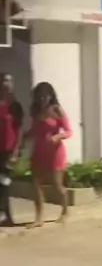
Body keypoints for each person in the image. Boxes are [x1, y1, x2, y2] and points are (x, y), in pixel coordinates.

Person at [27, 82, 71, 226]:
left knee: (57, 185)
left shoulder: (57, 110)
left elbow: (68, 131)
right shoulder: (35, 111)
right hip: (39, 152)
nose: (42, 99)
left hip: (55, 153)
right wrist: (26, 136)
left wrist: (58, 136)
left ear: (51, 96)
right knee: (36, 185)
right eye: (39, 96)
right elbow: (35, 130)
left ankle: (65, 211)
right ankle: (39, 217)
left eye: (45, 96)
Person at [0, 72, 24, 227]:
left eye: (10, 81)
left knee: (4, 183)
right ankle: (7, 218)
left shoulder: (15, 106)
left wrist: (16, 152)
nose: (8, 84)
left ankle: (4, 216)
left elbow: (20, 130)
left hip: (9, 151)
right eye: (5, 81)